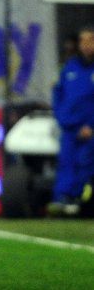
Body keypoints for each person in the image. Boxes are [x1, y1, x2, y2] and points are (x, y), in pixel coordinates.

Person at [49, 25, 94, 217]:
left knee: (85, 164)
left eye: (90, 40)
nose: (86, 45)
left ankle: (81, 202)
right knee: (66, 163)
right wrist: (61, 117)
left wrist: (91, 126)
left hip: (89, 129)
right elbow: (58, 94)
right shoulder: (69, 68)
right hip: (69, 128)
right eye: (83, 41)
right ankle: (63, 200)